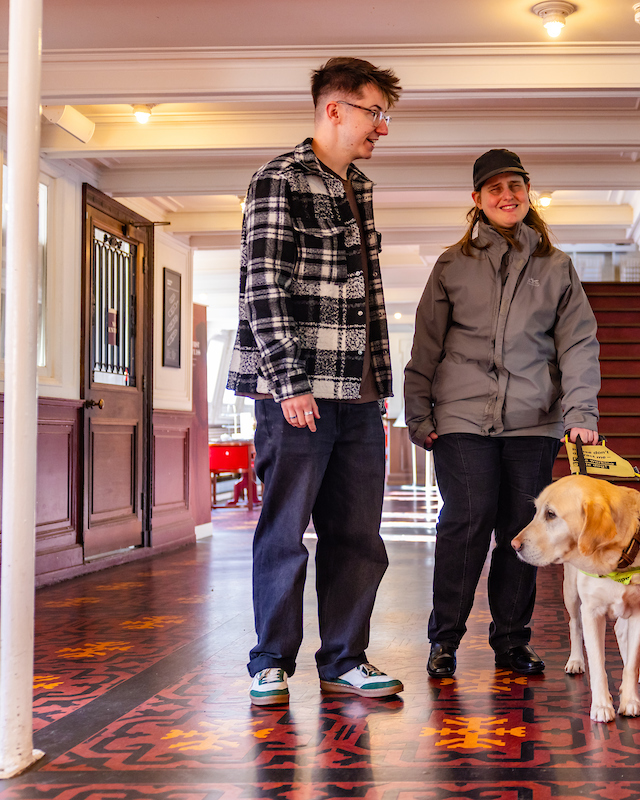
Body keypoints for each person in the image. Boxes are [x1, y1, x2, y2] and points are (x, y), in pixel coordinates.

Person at [227, 57, 404, 705]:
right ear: (335, 109)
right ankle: (270, 661)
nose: (382, 127)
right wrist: (289, 382)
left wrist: (378, 392)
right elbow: (262, 288)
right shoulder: (280, 179)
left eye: (385, 115)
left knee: (358, 534)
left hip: (358, 398)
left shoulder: (359, 187)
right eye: (374, 112)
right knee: (284, 531)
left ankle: (345, 659)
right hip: (295, 394)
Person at [404, 148, 602, 678]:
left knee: (523, 532)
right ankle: (444, 640)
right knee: (466, 523)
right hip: (463, 418)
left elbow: (578, 343)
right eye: (494, 189)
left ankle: (511, 642)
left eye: (515, 186)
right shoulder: (451, 264)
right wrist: (417, 414)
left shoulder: (555, 266)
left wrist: (580, 408)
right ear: (477, 200)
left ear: (527, 193)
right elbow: (426, 345)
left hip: (533, 420)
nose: (506, 196)